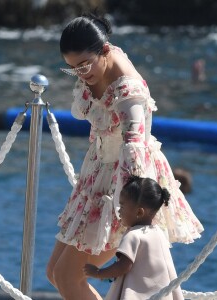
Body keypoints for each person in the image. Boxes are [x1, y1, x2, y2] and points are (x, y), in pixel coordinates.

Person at [46, 12, 203, 300]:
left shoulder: (127, 91)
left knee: (68, 277)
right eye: (72, 69)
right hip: (98, 176)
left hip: (125, 188)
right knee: (55, 273)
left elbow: (135, 145)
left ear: (104, 51)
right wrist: (85, 69)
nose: (81, 74)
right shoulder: (99, 58)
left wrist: (129, 210)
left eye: (83, 66)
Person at [84, 176, 184, 300]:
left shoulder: (133, 236)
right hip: (161, 294)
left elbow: (123, 266)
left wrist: (98, 273)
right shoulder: (158, 232)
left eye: (122, 206)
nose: (119, 211)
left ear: (139, 212)